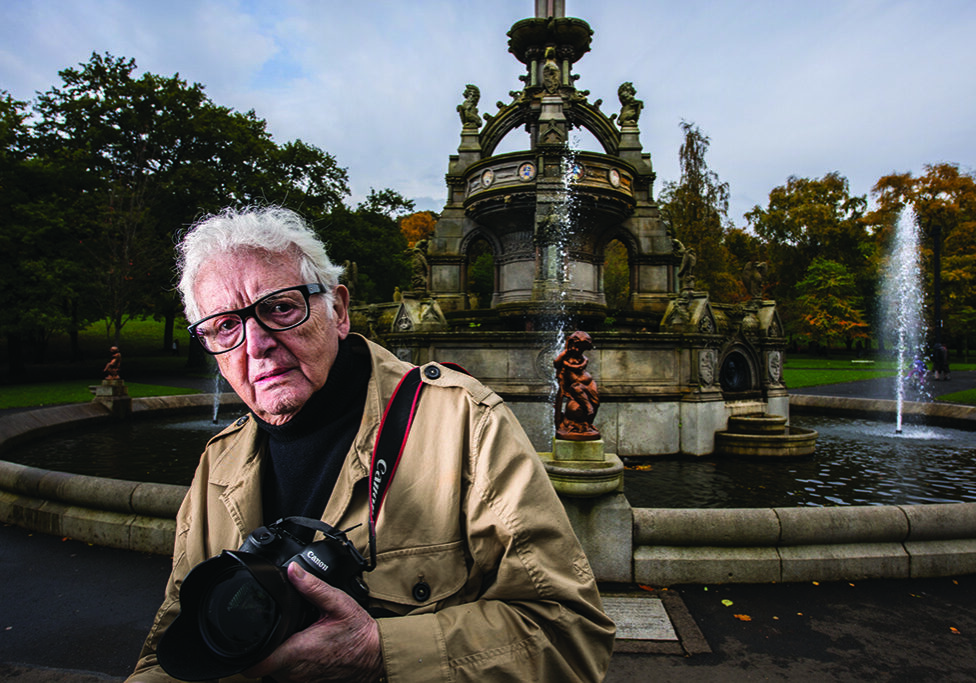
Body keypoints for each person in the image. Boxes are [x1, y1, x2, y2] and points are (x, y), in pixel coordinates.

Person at [127, 206, 614, 682]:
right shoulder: (218, 461)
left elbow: (570, 635)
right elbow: (169, 647)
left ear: (337, 310)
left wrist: (379, 652)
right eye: (226, 326)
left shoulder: (463, 421)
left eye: (279, 307)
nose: (255, 345)